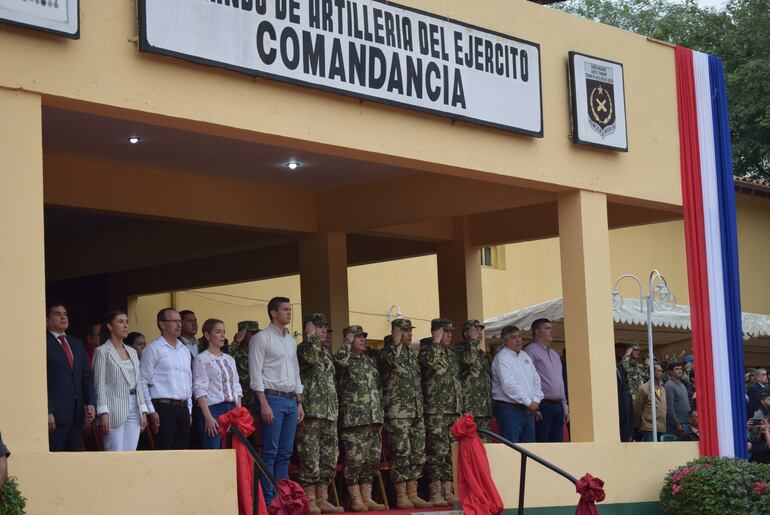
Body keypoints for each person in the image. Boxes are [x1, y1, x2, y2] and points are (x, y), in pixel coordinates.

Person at [248, 296, 304, 505]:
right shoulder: (261, 338)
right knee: (270, 451)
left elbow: (296, 373)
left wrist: (299, 402)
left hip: (290, 400)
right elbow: (256, 374)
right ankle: (269, 499)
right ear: (273, 313)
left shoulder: (290, 340)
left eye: (290, 309)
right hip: (272, 398)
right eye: (285, 309)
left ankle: (283, 498)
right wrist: (263, 404)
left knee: (286, 452)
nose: (289, 313)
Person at [378, 319, 432, 509]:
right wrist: (395, 342)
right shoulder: (388, 351)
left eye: (410, 331)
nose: (409, 334)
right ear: (395, 332)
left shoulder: (411, 354)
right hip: (397, 413)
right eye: (404, 331)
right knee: (401, 453)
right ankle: (401, 495)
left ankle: (413, 492)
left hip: (416, 411)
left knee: (417, 453)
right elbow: (390, 361)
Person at [296, 313, 343, 513]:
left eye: (326, 328)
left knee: (329, 458)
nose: (324, 331)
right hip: (312, 412)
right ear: (310, 327)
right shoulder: (305, 348)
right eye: (320, 327)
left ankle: (323, 498)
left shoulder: (326, 353)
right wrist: (311, 337)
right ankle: (310, 500)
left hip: (329, 413)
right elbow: (310, 358)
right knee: (309, 457)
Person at [334, 325, 385, 512]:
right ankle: (355, 499)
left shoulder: (370, 362)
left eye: (363, 336)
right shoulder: (344, 361)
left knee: (371, 460)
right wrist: (346, 341)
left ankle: (367, 497)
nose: (363, 339)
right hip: (354, 421)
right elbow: (340, 360)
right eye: (357, 337)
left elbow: (378, 390)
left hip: (373, 418)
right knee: (354, 461)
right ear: (349, 340)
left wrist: (380, 416)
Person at [419, 318, 462, 507]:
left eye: (450, 331)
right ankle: (435, 491)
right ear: (436, 333)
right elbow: (428, 364)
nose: (449, 335)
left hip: (453, 411)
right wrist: (435, 342)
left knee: (450, 453)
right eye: (445, 331)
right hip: (436, 411)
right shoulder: (428, 351)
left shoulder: (451, 354)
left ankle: (448, 489)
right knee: (437, 452)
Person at [93, 310, 148, 451]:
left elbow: (138, 382)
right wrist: (103, 412)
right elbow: (99, 384)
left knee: (130, 453)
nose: (125, 325)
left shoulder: (132, 352)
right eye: (120, 322)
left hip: (134, 406)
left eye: (127, 322)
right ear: (110, 326)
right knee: (115, 452)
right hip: (113, 407)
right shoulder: (102, 351)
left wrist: (143, 409)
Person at [140, 307, 193, 450]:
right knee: (165, 452)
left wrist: (189, 409)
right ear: (162, 324)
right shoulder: (153, 349)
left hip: (182, 409)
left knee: (182, 453)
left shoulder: (184, 350)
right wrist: (151, 411)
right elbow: (142, 382)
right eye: (174, 321)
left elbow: (188, 382)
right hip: (163, 408)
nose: (179, 324)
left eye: (180, 321)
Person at [46, 302, 96, 452]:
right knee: (55, 458)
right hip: (56, 415)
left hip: (76, 414)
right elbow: (41, 381)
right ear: (47, 321)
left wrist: (90, 402)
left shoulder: (76, 344)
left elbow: (86, 376)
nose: (63, 317)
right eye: (57, 314)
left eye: (65, 314)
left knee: (74, 458)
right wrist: (48, 410)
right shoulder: (42, 343)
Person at [193, 318, 242, 449]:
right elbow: (199, 389)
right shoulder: (201, 359)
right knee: (214, 450)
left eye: (224, 332)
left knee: (232, 450)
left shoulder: (229, 359)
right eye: (218, 332)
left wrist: (239, 412)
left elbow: (236, 386)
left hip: (232, 409)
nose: (222, 335)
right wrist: (208, 416)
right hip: (213, 409)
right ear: (207, 335)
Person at [491, 325, 543, 444]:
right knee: (512, 449)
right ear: (504, 340)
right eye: (513, 337)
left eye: (519, 336)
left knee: (529, 449)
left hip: (528, 410)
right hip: (510, 409)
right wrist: (529, 403)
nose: (518, 340)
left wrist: (535, 400)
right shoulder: (502, 358)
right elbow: (509, 385)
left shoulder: (525, 356)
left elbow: (536, 380)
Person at [523, 318, 568, 443]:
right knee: (542, 442)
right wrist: (534, 406)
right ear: (537, 332)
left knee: (557, 444)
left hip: (558, 405)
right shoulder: (530, 351)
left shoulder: (554, 354)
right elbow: (527, 378)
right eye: (547, 328)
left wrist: (564, 404)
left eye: (551, 329)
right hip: (543, 405)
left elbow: (560, 381)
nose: (551, 331)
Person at [455, 320, 493, 434]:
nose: (480, 332)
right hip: (468, 406)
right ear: (467, 334)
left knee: (484, 443)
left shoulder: (481, 353)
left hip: (483, 408)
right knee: (469, 442)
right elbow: (468, 360)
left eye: (481, 330)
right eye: (476, 330)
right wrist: (472, 341)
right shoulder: (460, 348)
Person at [228, 321, 260, 417]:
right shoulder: (235, 351)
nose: (255, 336)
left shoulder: (258, 350)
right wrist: (237, 341)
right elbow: (226, 359)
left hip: (258, 399)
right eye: (252, 334)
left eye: (256, 333)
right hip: (242, 401)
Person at [633, 364, 667, 441]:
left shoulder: (663, 389)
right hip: (649, 427)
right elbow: (637, 408)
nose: (661, 373)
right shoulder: (644, 388)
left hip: (662, 427)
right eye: (659, 371)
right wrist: (638, 425)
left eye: (662, 371)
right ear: (652, 372)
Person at [664, 362, 691, 437]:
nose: (680, 371)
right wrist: (677, 424)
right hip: (676, 425)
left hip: (686, 422)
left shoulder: (682, 385)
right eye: (677, 369)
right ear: (670, 372)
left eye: (681, 369)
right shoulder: (669, 385)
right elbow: (669, 407)